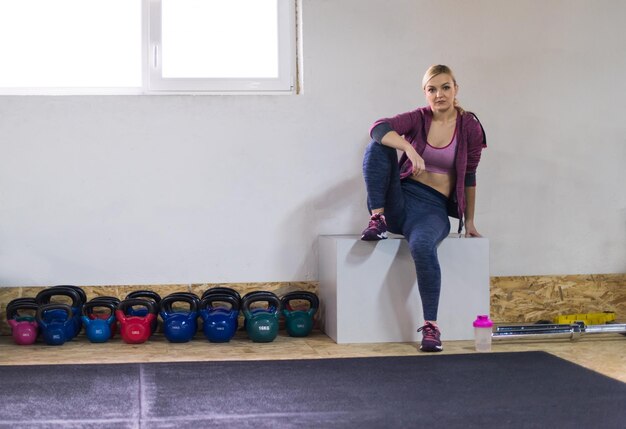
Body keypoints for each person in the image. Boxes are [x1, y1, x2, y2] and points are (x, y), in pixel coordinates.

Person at [361, 64, 487, 352]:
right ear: (425, 93)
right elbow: (379, 127)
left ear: (456, 88)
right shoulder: (419, 118)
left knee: (422, 246)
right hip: (400, 199)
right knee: (377, 146)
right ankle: (376, 219)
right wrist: (408, 147)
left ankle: (431, 326)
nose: (439, 94)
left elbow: (469, 175)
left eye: (445, 87)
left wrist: (469, 222)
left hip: (432, 210)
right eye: (432, 89)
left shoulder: (469, 126)